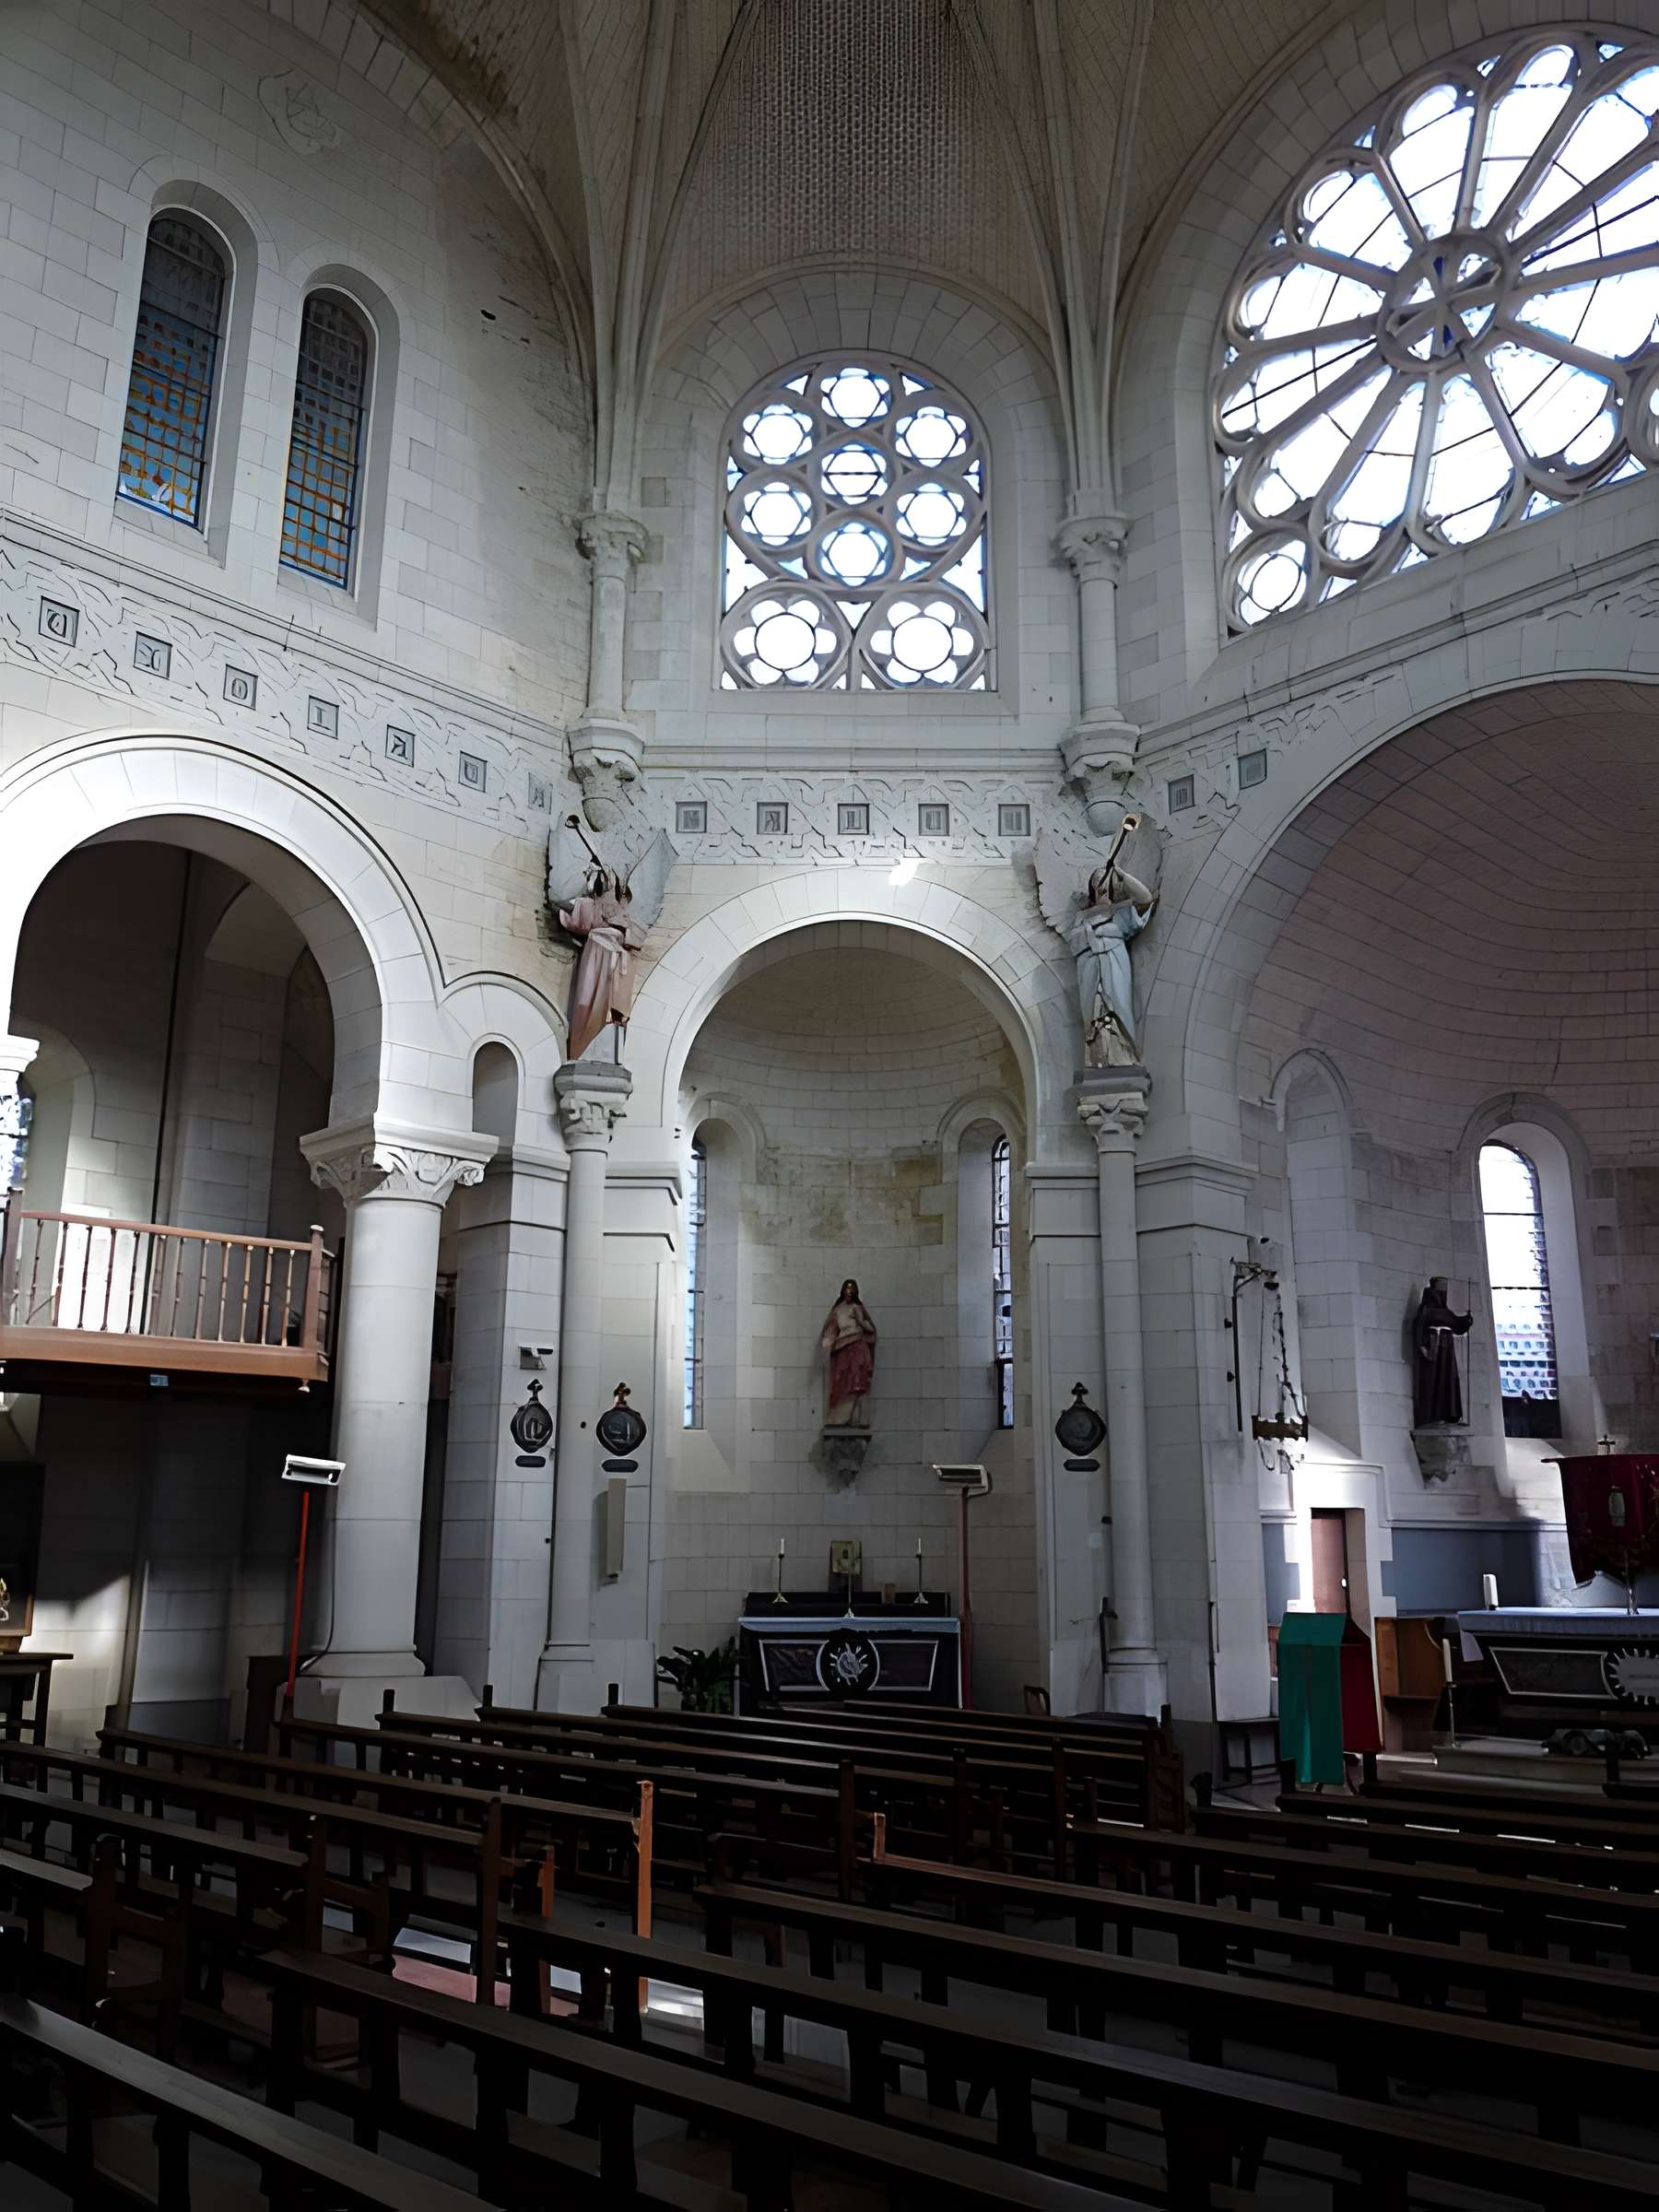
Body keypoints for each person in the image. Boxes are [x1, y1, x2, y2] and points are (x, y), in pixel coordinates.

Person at [1070, 860, 1156, 1066]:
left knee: (1118, 1006)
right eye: (1098, 883)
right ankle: (1098, 1058)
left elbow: (1145, 898)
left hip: (1114, 964)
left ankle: (1123, 1054)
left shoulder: (1120, 913)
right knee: (1094, 1013)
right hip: (1090, 970)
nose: (1102, 887)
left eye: (1105, 883)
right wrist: (1098, 935)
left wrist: (1120, 874)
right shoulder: (1082, 919)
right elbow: (1076, 944)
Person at [557, 864, 645, 1061]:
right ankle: (580, 1051)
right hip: (596, 953)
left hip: (618, 963)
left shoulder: (627, 917)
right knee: (585, 1001)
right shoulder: (592, 905)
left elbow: (636, 937)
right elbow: (571, 911)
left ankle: (606, 1049)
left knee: (612, 1009)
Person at [1413, 1276, 1473, 1426]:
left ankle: (1450, 1414)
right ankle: (1433, 1416)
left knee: (1448, 1379)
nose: (1443, 1294)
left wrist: (1466, 1321)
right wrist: (1422, 1346)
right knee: (1434, 1380)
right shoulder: (1426, 1309)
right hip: (1434, 1347)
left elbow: (1457, 1326)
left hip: (1447, 1347)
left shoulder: (1445, 1311)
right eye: (1441, 1290)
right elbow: (1418, 1327)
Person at [819, 1279, 877, 1427]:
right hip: (842, 1348)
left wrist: (860, 1320)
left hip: (858, 1346)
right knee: (841, 1380)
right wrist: (828, 1347)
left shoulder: (858, 1308)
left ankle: (856, 1418)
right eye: (846, 1289)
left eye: (852, 1290)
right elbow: (829, 1332)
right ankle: (839, 1417)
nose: (849, 1292)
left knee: (857, 1382)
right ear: (843, 1291)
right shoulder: (838, 1310)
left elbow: (872, 1330)